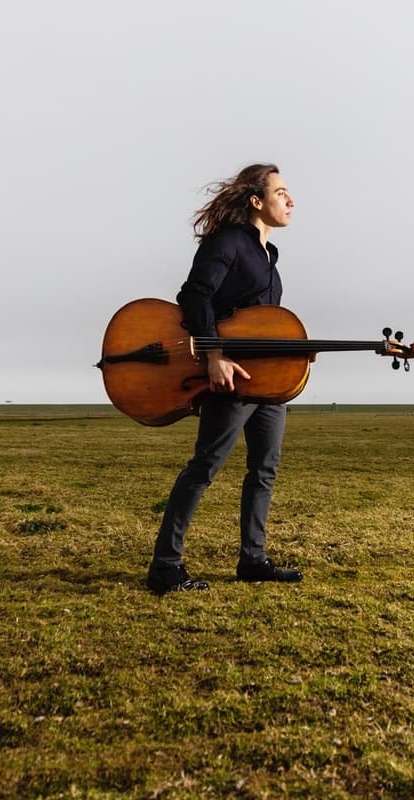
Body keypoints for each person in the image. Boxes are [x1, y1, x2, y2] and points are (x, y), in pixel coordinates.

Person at [146, 163, 305, 595]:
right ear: (257, 201)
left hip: (267, 382)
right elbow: (195, 294)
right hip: (230, 379)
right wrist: (214, 355)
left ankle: (253, 560)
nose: (291, 200)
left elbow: (261, 325)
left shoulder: (269, 256)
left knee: (264, 469)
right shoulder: (230, 241)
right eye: (282, 192)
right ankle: (165, 566)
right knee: (206, 466)